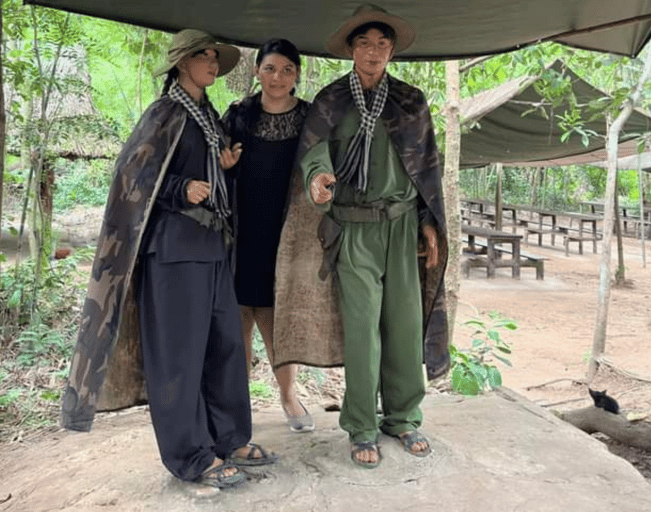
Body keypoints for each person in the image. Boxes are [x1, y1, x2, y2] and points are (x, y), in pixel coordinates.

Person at [59, 29, 276, 489]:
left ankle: (230, 438)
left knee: (225, 348)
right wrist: (180, 189)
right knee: (179, 356)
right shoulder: (164, 112)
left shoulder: (205, 115)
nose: (213, 63)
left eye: (216, 57)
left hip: (212, 248)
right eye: (203, 56)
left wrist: (223, 169)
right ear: (181, 64)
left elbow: (202, 171)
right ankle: (192, 457)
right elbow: (132, 175)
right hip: (175, 252)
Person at [273, 4, 450, 468]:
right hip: (352, 228)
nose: (374, 52)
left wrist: (430, 222)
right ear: (351, 49)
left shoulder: (411, 101)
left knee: (406, 327)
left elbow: (427, 166)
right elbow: (313, 154)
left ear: (391, 51)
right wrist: (318, 180)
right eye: (365, 43)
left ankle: (403, 418)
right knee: (362, 333)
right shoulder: (332, 100)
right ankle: (361, 427)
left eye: (383, 44)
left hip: (402, 226)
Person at [221, 39, 314, 433]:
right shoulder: (239, 114)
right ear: (257, 71)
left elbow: (322, 164)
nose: (278, 78)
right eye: (271, 68)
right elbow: (217, 165)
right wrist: (224, 165)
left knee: (280, 320)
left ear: (297, 76)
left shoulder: (310, 117)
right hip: (241, 230)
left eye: (287, 70)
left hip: (288, 233)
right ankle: (237, 407)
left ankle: (289, 396)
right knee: (238, 316)